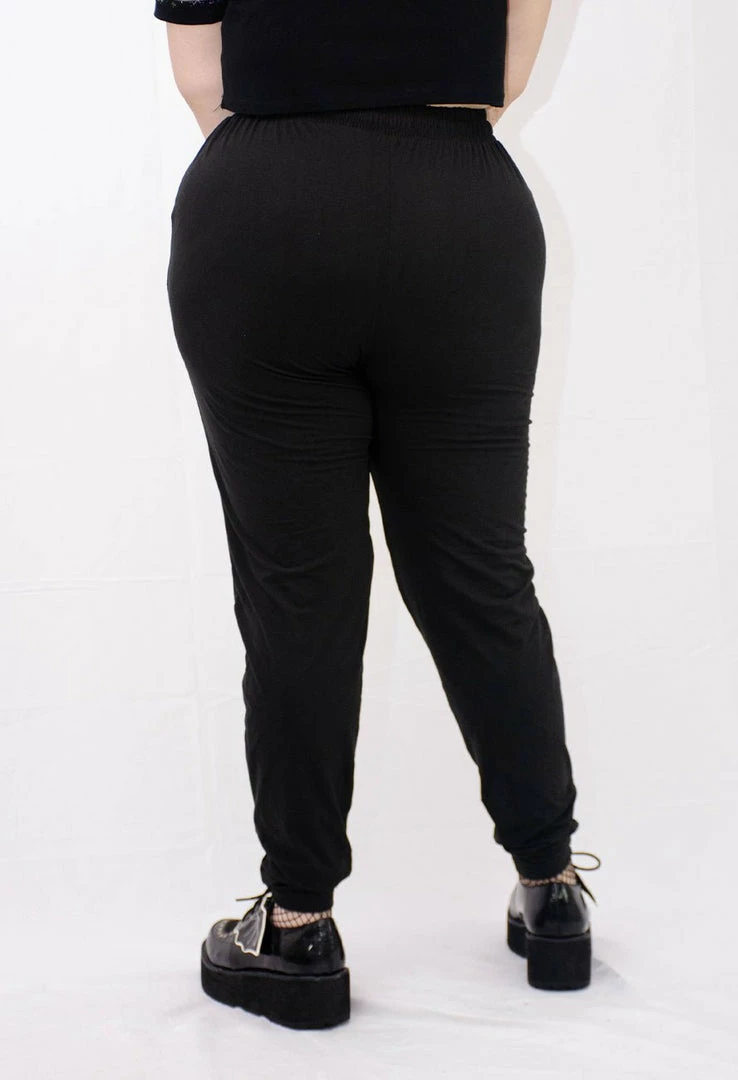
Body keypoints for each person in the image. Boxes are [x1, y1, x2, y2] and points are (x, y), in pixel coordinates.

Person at [153, 0, 602, 1029]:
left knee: (297, 588)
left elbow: (199, 78)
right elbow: (505, 76)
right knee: (480, 571)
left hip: (260, 212)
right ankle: (551, 888)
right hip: (460, 213)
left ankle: (299, 925)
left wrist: (298, 156)